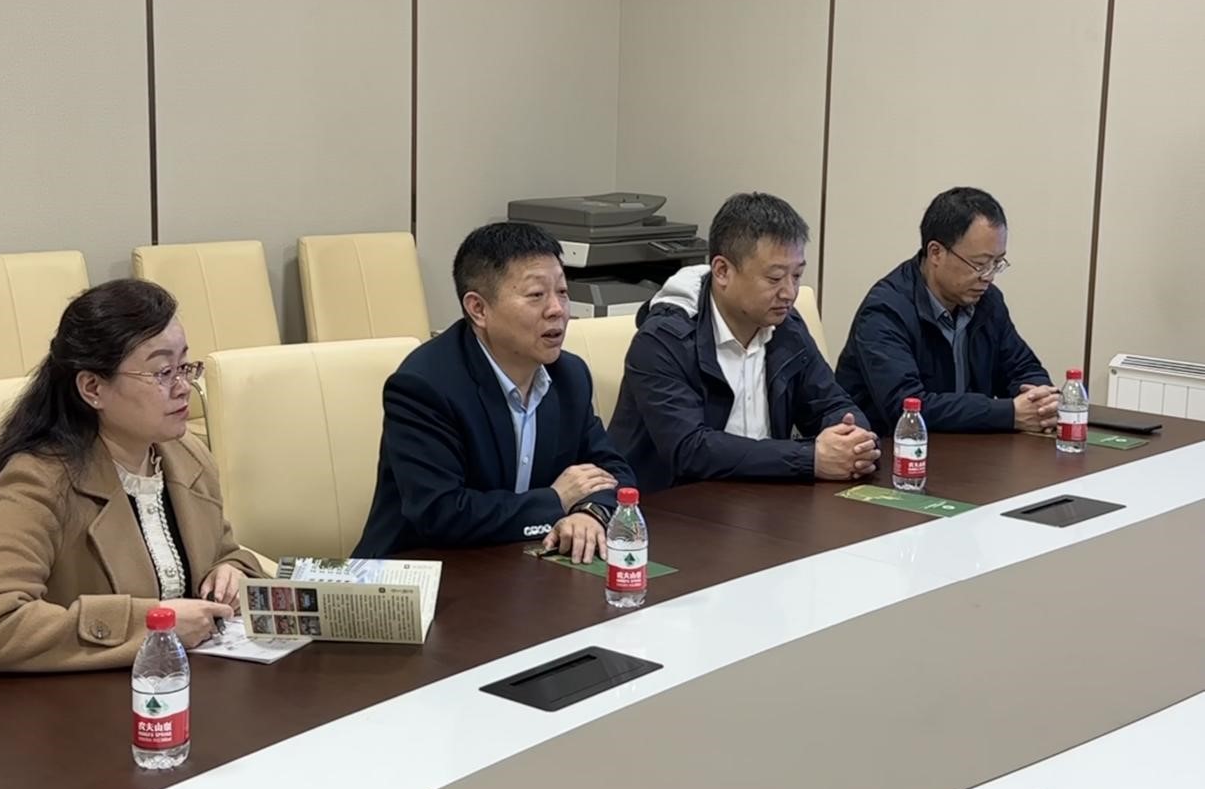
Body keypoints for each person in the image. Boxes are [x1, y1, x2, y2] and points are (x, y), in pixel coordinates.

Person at [0, 279, 261, 673]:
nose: (183, 387)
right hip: (77, 699)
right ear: (93, 388)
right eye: (163, 372)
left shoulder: (187, 456)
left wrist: (232, 572)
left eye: (185, 367)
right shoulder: (40, 480)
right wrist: (154, 623)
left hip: (181, 685)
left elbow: (224, 552)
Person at [355, 223, 634, 562]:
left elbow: (614, 472)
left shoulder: (569, 376)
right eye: (536, 295)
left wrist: (590, 513)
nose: (558, 309)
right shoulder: (425, 386)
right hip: (425, 571)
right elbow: (441, 513)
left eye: (562, 291)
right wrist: (556, 501)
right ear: (479, 309)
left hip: (521, 563)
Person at [609, 192, 878, 493]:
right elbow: (690, 449)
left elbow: (832, 403)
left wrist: (853, 441)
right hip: (671, 506)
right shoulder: (663, 340)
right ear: (722, 271)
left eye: (797, 275)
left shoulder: (785, 327)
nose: (789, 293)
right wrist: (810, 457)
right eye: (775, 278)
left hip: (763, 497)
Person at [835, 186, 1057, 435]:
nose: (989, 276)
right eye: (980, 264)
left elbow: (1022, 367)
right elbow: (907, 408)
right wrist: (1009, 414)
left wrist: (1041, 402)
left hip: (967, 448)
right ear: (936, 253)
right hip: (891, 450)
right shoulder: (885, 311)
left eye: (997, 263)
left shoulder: (988, 301)